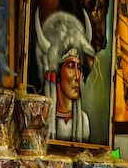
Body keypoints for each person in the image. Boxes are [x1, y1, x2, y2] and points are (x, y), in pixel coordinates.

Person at [34, 10, 95, 142]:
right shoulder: (40, 120)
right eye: (71, 66)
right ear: (56, 72)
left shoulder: (83, 121)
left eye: (79, 67)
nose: (77, 76)